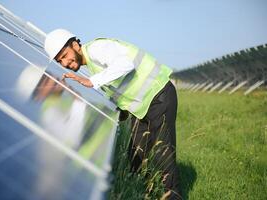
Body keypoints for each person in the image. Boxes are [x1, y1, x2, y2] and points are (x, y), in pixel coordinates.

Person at [44, 29, 181, 199]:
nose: (65, 63)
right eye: (60, 61)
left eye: (65, 55)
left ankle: (173, 196)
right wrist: (119, 108)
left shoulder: (97, 48)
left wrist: (91, 82)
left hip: (159, 94)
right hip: (143, 107)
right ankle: (144, 193)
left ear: (75, 45)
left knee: (163, 154)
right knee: (135, 158)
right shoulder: (94, 65)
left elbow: (126, 64)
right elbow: (120, 85)